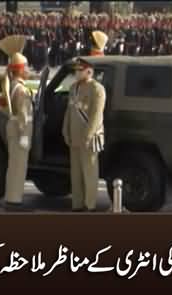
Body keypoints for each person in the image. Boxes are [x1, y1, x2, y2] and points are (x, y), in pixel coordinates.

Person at [0, 35, 35, 211]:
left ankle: (12, 198)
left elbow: (5, 108)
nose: (28, 70)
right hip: (20, 132)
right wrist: (24, 135)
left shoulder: (12, 86)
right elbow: (24, 116)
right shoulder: (21, 90)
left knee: (13, 167)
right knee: (18, 168)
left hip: (12, 129)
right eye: (26, 67)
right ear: (20, 70)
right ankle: (14, 201)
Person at [62, 58, 106, 212]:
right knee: (76, 174)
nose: (76, 73)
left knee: (90, 173)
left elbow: (96, 115)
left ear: (89, 71)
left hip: (89, 137)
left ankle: (90, 205)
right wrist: (65, 130)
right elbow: (69, 110)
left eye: (80, 70)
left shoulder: (97, 89)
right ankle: (77, 204)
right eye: (76, 70)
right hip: (74, 135)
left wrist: (87, 136)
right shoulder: (73, 87)